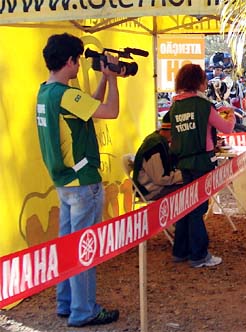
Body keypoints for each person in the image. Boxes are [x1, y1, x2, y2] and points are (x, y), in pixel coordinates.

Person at [36, 33, 126, 327]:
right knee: (84, 248)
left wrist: (102, 80)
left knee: (67, 247)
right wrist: (112, 79)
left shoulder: (46, 92)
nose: (79, 66)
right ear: (69, 61)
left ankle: (67, 303)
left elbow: (88, 107)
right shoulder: (65, 94)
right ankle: (84, 310)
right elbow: (110, 111)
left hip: (64, 182)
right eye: (77, 60)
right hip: (83, 181)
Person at [168, 63, 235, 267]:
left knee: (186, 207)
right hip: (201, 161)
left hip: (182, 161)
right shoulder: (203, 105)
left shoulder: (175, 105)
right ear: (198, 82)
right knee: (198, 208)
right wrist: (230, 113)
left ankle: (180, 250)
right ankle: (199, 255)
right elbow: (226, 128)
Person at [132, 112, 183, 201]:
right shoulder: (155, 145)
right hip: (151, 190)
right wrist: (185, 175)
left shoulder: (160, 141)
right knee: (190, 188)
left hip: (155, 186)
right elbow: (161, 178)